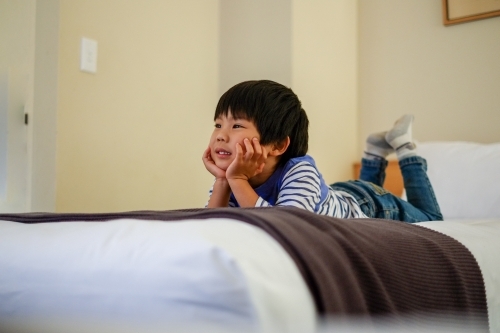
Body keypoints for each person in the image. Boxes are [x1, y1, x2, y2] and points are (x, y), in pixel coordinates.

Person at [202, 80, 442, 222]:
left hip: (369, 203)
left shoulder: (300, 170)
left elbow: (286, 225)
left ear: (277, 145)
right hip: (333, 196)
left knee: (432, 219)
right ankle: (375, 152)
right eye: (218, 125)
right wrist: (223, 181)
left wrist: (236, 179)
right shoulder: (232, 176)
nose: (221, 135)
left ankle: (404, 146)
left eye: (236, 126)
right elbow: (211, 223)